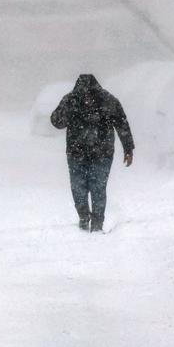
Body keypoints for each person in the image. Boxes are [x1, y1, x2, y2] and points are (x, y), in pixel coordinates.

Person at [50, 74, 134, 232]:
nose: (87, 99)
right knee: (80, 189)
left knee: (96, 189)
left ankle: (96, 224)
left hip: (98, 154)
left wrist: (128, 148)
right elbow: (56, 121)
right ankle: (84, 216)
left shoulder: (105, 101)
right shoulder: (72, 101)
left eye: (90, 94)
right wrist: (69, 109)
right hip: (82, 154)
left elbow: (122, 124)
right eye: (84, 95)